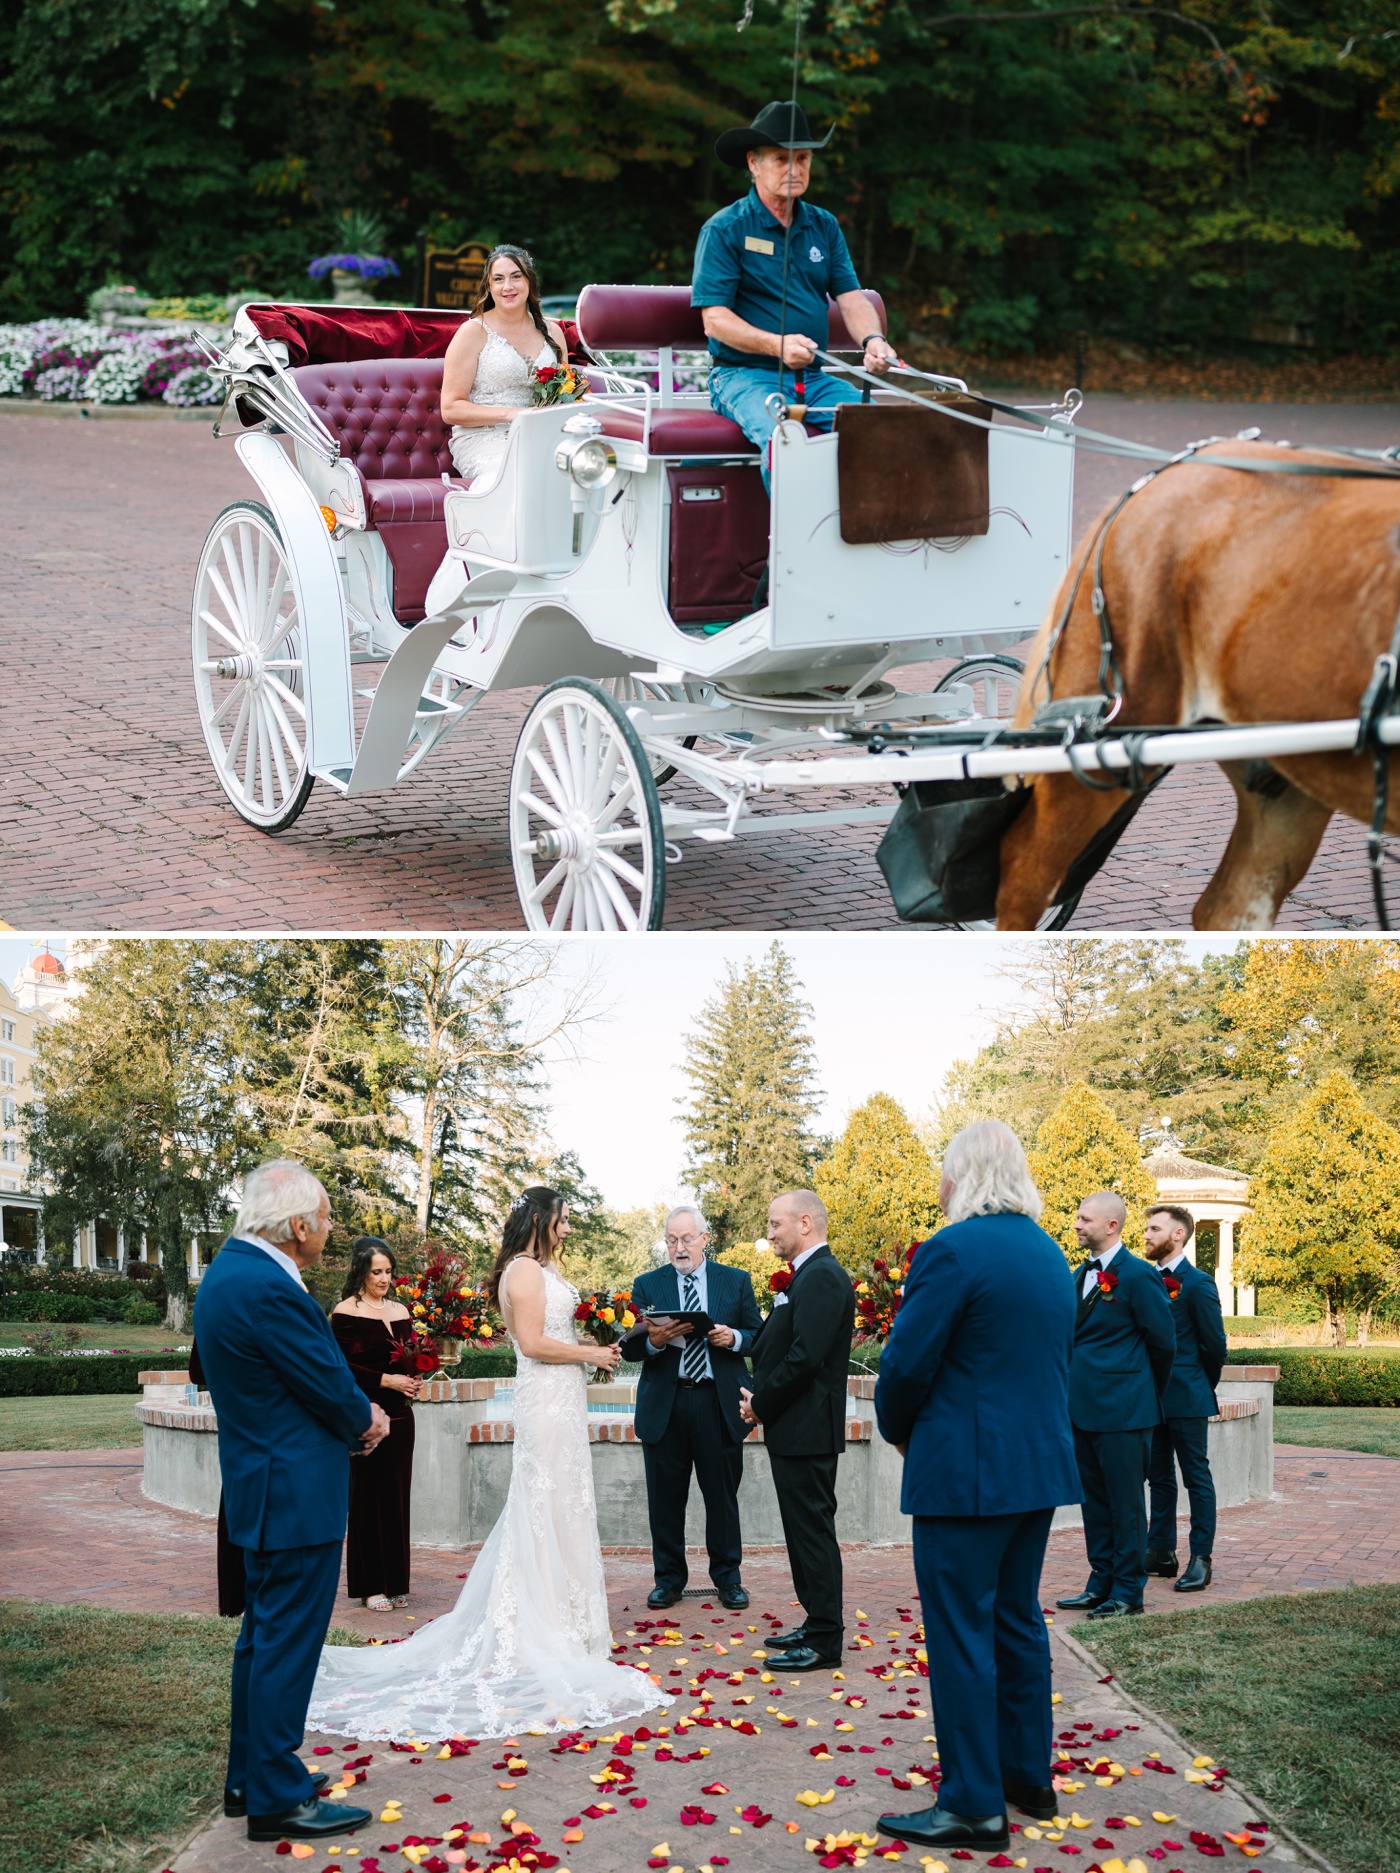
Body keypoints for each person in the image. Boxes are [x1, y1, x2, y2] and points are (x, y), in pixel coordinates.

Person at [304, 1185, 672, 1740]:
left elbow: (556, 1334)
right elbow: (531, 1343)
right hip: (545, 1401)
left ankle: (569, 1625)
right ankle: (542, 1627)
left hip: (562, 1399)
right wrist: (592, 1354)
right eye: (564, 1220)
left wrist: (596, 1346)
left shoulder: (539, 1269)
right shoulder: (522, 1271)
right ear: (541, 1220)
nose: (568, 1229)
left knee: (562, 1506)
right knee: (544, 1505)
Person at [874, 1121, 1082, 1854]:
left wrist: (898, 1430)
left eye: (943, 1171)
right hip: (1035, 1470)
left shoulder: (952, 1249)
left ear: (961, 1176)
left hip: (965, 1474)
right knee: (1018, 1621)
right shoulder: (1050, 1253)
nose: (938, 1185)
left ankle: (972, 1803)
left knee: (963, 1631)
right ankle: (1027, 1776)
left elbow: (903, 1367)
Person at [192, 1159, 388, 1844]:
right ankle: (277, 1793)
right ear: (298, 1223)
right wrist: (367, 1418)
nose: (331, 1230)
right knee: (285, 1643)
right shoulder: (268, 1287)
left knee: (260, 1639)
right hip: (293, 1489)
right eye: (326, 1217)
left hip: (260, 1483)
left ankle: (248, 1777)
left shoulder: (225, 1274)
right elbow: (326, 1380)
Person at [693, 100, 900, 491]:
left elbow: (852, 298)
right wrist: (777, 345)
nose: (795, 169)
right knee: (785, 439)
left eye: (803, 158)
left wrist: (874, 341)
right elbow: (714, 319)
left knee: (884, 429)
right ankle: (790, 550)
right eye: (781, 159)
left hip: (814, 378)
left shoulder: (823, 225)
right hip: (742, 376)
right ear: (753, 163)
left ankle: (867, 540)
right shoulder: (724, 229)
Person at [619, 1204, 765, 1611]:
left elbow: (758, 1335)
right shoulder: (647, 1284)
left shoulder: (735, 1281)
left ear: (704, 1239)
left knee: (722, 1498)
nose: (679, 1248)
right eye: (671, 1240)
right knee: (665, 1500)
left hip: (717, 1403)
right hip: (666, 1403)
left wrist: (732, 1337)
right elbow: (630, 1348)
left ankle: (728, 1578)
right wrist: (656, 1340)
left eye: (686, 1239)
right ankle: (668, 1580)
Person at [739, 1189, 855, 1670]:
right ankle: (815, 1620)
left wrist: (761, 1403)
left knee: (812, 1533)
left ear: (805, 1223)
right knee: (801, 1531)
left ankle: (827, 1640)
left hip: (807, 1427)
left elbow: (805, 1358)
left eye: (775, 1225)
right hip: (794, 1427)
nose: (769, 1235)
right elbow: (776, 1344)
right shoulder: (805, 1277)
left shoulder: (824, 1277)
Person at [1056, 1192, 1176, 1621]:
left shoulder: (1139, 1276)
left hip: (1125, 1411)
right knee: (1094, 1503)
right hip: (1081, 1409)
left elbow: (1164, 1344)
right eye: (1077, 1216)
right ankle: (1100, 1582)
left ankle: (1128, 1592)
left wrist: (1140, 1391)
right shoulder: (1077, 1275)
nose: (1076, 1224)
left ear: (1111, 1226)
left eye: (1084, 1218)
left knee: (1126, 1505)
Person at [330, 1237, 423, 1613]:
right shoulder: (345, 1311)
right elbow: (339, 1367)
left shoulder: (400, 1310)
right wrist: (387, 1380)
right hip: (365, 1414)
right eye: (376, 1272)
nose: (384, 1279)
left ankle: (397, 1582)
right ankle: (370, 1587)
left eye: (388, 1271)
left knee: (397, 1499)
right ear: (361, 1272)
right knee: (367, 1499)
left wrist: (417, 1377)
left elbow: (414, 1355)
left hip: (402, 1415)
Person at [1142, 1203, 1227, 1593]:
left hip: (1188, 1397)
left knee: (1197, 1479)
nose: (1146, 1235)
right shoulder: (1142, 1279)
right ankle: (1160, 1553)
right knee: (1158, 1479)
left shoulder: (1197, 1283)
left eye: (1155, 1229)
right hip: (1150, 1399)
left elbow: (1214, 1346)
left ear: (1178, 1235)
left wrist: (1199, 1385)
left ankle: (1200, 1558)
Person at [441, 244, 571, 490]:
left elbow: (564, 391)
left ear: (529, 281)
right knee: (522, 474)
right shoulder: (473, 332)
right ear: (489, 287)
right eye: (498, 279)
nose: (507, 287)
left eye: (516, 277)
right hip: (484, 438)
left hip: (538, 434)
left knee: (580, 468)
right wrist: (514, 415)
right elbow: (450, 409)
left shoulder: (552, 332)